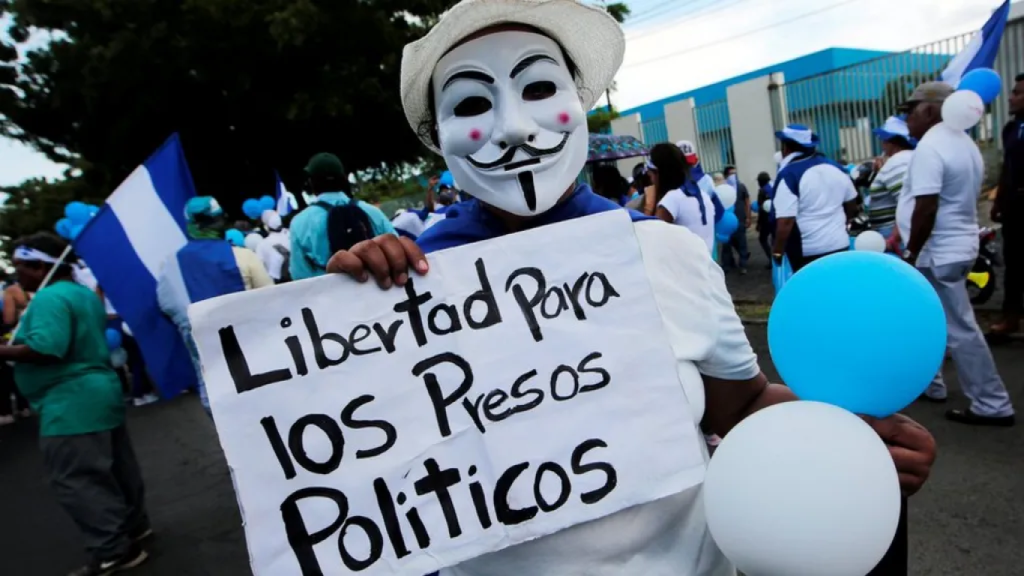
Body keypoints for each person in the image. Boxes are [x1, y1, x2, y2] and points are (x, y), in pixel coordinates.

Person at [325, 2, 935, 573]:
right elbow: (365, 468)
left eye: (537, 88)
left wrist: (856, 432)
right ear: (439, 136)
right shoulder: (412, 281)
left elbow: (739, 406)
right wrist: (349, 315)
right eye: (471, 104)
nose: (512, 127)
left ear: (579, 100)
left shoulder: (663, 250)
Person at [0, 233, 150, 575]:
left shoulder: (51, 298)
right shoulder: (80, 293)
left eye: (21, 265)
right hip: (97, 393)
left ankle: (113, 550)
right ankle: (134, 527)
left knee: (77, 478)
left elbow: (46, 347)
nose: (16, 273)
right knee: (116, 468)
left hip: (71, 403)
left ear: (40, 267)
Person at [898, 81, 1014, 426]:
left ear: (932, 110)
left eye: (911, 111)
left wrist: (910, 251)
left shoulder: (931, 147)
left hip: (939, 252)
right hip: (958, 246)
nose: (907, 119)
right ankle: (932, 384)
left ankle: (992, 403)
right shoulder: (966, 144)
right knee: (934, 322)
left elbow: (927, 206)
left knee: (959, 329)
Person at [157, 196, 273, 415]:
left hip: (211, 379)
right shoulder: (244, 257)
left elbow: (167, 306)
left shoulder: (169, 264)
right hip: (258, 363)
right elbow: (270, 299)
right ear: (220, 220)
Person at [288, 152, 396, 280]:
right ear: (343, 178)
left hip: (332, 296)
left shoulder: (299, 223)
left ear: (312, 182)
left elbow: (299, 274)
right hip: (379, 286)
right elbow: (394, 247)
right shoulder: (372, 211)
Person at [771, 124, 859, 272]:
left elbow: (786, 221)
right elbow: (852, 205)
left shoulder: (789, 175)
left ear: (786, 147)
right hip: (840, 244)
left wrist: (777, 251)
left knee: (812, 293)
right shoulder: (837, 168)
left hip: (808, 252)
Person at [989, 73, 1024, 337]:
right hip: (1015, 207)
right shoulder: (1011, 129)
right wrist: (999, 199)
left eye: (1017, 93)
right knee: (1013, 263)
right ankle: (1010, 317)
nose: (1011, 98)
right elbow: (1006, 168)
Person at [648, 143, 716, 252]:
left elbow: (652, 241)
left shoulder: (672, 200)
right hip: (707, 266)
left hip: (683, 268)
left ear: (659, 173)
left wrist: (649, 206)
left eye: (650, 175)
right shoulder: (702, 195)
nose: (651, 181)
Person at [867, 116, 916, 247]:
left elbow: (908, 204)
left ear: (892, 142)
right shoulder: (907, 158)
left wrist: (894, 238)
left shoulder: (898, 162)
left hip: (893, 235)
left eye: (884, 140)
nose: (882, 144)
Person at [721, 165, 751, 273]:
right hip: (726, 222)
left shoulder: (741, 186)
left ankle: (743, 265)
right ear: (726, 176)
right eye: (731, 174)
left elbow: (747, 202)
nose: (733, 176)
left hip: (740, 220)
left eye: (735, 173)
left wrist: (748, 217)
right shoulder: (722, 189)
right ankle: (727, 266)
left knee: (742, 242)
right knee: (726, 245)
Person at [255, 209, 291, 283]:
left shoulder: (262, 245)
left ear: (265, 226)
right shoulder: (293, 233)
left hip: (278, 284)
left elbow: (260, 268)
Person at [755, 171, 774, 268]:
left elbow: (761, 209)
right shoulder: (773, 188)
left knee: (762, 239)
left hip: (766, 220)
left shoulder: (762, 191)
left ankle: (772, 260)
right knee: (774, 240)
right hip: (776, 218)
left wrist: (758, 224)